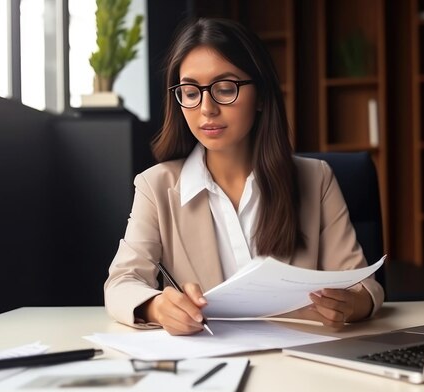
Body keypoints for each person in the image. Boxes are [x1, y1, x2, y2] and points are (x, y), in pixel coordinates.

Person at [104, 17, 384, 335]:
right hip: (210, 363)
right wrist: (157, 306)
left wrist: (350, 305)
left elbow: (364, 286)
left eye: (225, 88)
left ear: (262, 95)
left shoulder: (315, 179)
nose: (206, 108)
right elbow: (122, 283)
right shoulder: (157, 186)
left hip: (298, 363)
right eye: (191, 92)